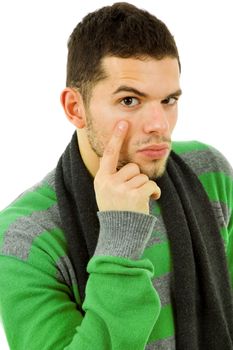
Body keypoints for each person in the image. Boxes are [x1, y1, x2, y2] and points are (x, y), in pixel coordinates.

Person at [0, 2, 233, 349]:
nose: (159, 125)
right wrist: (121, 235)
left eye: (168, 100)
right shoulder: (24, 237)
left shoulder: (208, 172)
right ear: (74, 108)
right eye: (129, 101)